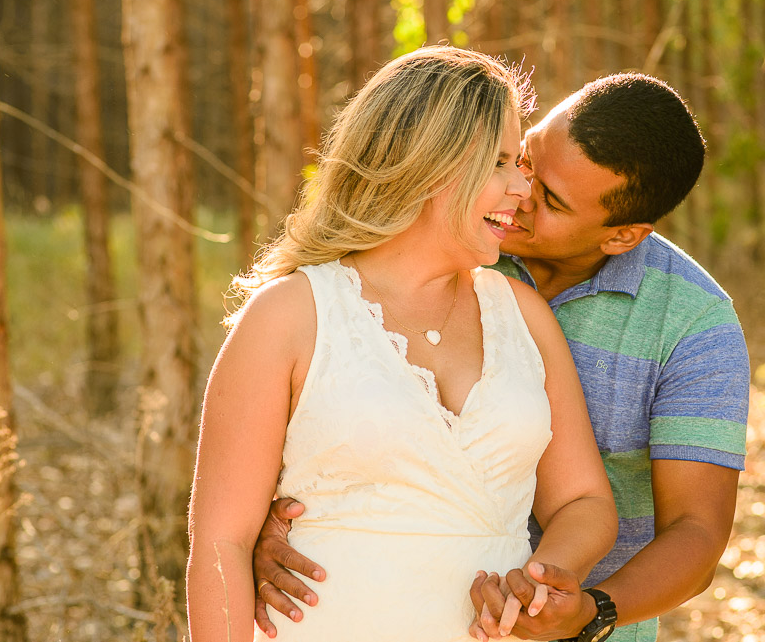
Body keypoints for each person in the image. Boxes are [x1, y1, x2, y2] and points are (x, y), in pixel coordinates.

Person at [253, 72, 750, 642]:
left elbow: (696, 532)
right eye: (526, 159)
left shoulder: (693, 325)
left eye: (553, 201)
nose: (517, 192)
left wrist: (591, 611)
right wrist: (273, 518)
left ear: (621, 236)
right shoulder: (435, 241)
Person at [186, 46, 617, 642]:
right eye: (499, 163)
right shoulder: (290, 315)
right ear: (429, 165)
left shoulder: (522, 314)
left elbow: (585, 501)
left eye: (519, 162)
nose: (523, 186)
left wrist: (541, 579)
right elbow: (221, 542)